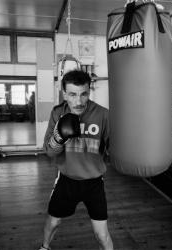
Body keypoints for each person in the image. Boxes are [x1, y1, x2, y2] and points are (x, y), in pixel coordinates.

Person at [39, 70, 113, 250]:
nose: (78, 101)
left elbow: (113, 151)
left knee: (102, 234)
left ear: (89, 91)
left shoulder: (103, 115)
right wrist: (59, 137)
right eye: (72, 94)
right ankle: (45, 247)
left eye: (84, 94)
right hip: (66, 181)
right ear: (64, 94)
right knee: (54, 222)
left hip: (94, 182)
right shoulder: (58, 113)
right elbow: (49, 152)